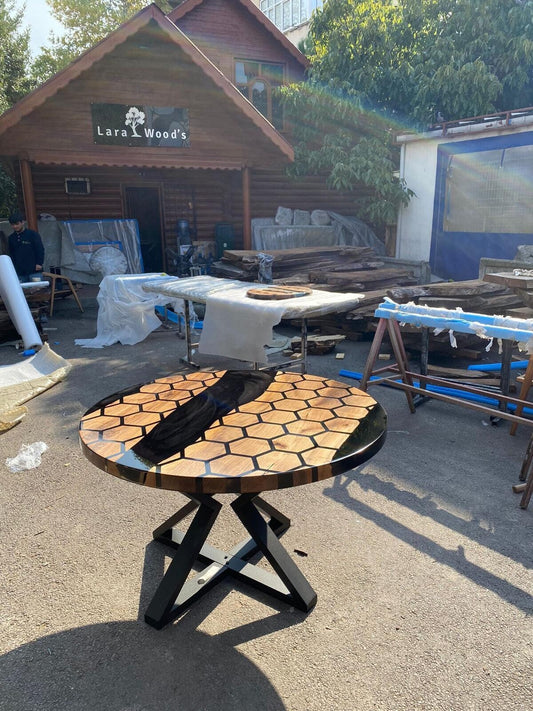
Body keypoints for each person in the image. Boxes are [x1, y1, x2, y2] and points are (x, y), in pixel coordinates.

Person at [7, 212, 45, 282]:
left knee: (37, 290)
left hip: (34, 270)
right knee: (21, 291)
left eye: (17, 224)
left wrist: (39, 263)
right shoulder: (11, 238)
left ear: (22, 222)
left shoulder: (32, 235)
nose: (15, 226)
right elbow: (11, 254)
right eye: (12, 224)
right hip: (19, 272)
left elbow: (40, 249)